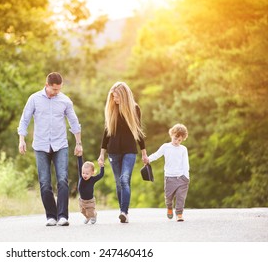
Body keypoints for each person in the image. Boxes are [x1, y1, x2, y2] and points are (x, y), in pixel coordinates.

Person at [17, 72, 83, 227]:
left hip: (60, 145)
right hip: (40, 146)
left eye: (59, 89)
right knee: (45, 182)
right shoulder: (34, 99)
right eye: (54, 89)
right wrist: (21, 140)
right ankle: (51, 216)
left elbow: (74, 122)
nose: (56, 92)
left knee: (62, 180)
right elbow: (24, 119)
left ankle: (62, 216)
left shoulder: (65, 101)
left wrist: (79, 143)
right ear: (46, 85)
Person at [97, 82, 148, 223]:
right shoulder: (111, 109)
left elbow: (138, 132)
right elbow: (106, 133)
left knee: (124, 179)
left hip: (130, 150)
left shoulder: (135, 109)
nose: (115, 99)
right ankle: (122, 211)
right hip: (113, 152)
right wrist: (101, 154)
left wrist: (144, 153)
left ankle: (124, 212)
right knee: (119, 183)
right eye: (113, 97)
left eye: (117, 97)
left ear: (124, 96)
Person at [147, 123, 190, 222]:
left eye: (179, 140)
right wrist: (148, 159)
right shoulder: (166, 147)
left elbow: (185, 164)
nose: (177, 141)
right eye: (175, 138)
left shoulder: (183, 149)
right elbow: (157, 155)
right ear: (172, 134)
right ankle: (169, 208)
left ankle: (179, 214)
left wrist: (186, 176)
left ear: (182, 139)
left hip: (181, 178)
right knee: (168, 198)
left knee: (180, 198)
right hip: (169, 178)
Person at [77, 155, 104, 224]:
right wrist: (79, 156)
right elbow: (80, 164)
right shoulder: (81, 177)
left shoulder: (93, 179)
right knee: (82, 211)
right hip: (82, 200)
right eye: (83, 173)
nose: (84, 175)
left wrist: (102, 166)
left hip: (90, 201)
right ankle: (87, 217)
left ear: (92, 173)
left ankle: (93, 215)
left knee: (90, 211)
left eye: (87, 173)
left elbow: (101, 175)